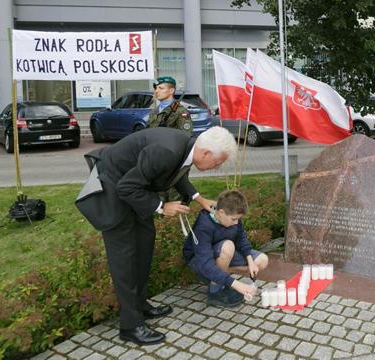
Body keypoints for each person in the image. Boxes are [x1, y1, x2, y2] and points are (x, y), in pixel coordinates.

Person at [75, 126, 236, 346]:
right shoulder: (167, 150)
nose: (216, 168)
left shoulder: (188, 147)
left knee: (144, 244)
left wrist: (199, 199)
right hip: (114, 189)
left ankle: (140, 304)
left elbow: (176, 173)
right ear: (206, 153)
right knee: (125, 258)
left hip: (136, 190)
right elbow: (126, 186)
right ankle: (130, 327)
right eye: (218, 163)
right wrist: (161, 206)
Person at [182, 190, 268, 308]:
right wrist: (237, 285)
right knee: (228, 246)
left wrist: (250, 261)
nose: (236, 223)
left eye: (238, 219)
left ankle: (221, 277)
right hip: (199, 261)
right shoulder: (204, 226)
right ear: (221, 212)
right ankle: (215, 291)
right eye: (233, 219)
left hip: (222, 254)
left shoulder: (233, 214)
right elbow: (205, 264)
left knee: (262, 261)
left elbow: (241, 238)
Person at [147, 76, 195, 203]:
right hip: (156, 158)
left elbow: (186, 136)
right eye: (156, 88)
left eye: (161, 88)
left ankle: (176, 217)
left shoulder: (180, 112)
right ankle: (161, 213)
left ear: (171, 91)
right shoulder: (154, 112)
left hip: (174, 159)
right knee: (158, 190)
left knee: (175, 191)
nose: (157, 91)